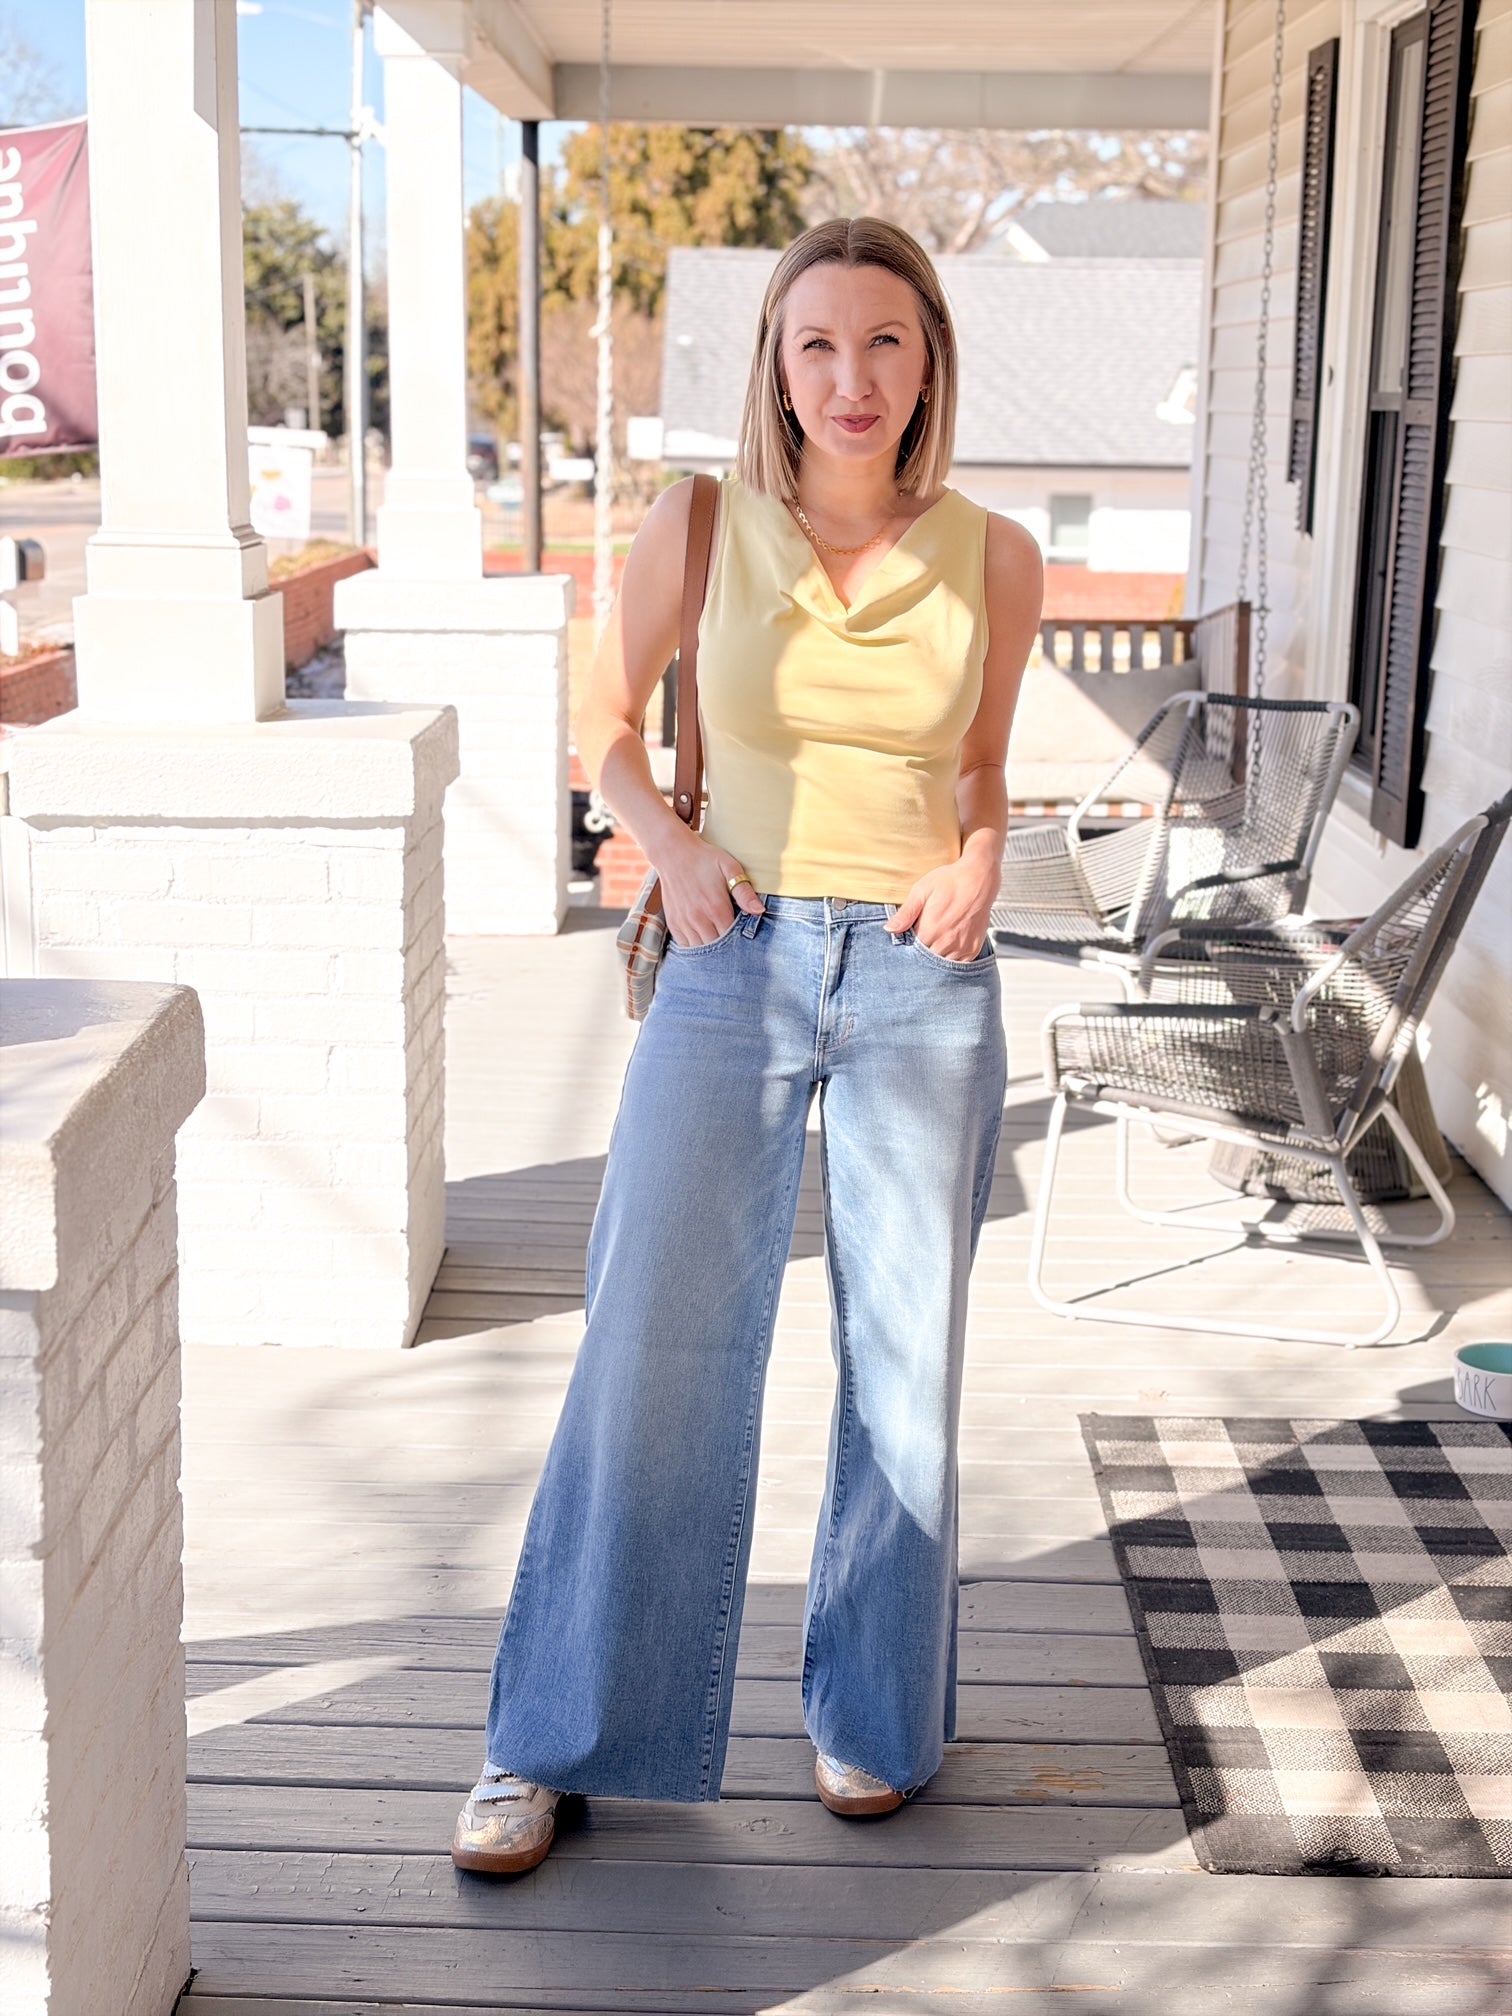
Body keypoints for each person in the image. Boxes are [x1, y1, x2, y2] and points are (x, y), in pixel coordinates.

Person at [452, 215, 1043, 1875]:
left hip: (927, 977)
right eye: (817, 345)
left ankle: (873, 1718)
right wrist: (670, 848)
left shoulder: (994, 553)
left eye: (885, 344)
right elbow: (602, 725)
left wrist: (984, 862)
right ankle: (552, 1739)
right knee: (651, 1347)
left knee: (904, 1369)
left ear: (929, 363)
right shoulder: (702, 523)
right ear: (775, 366)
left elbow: (985, 765)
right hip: (734, 953)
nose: (850, 380)